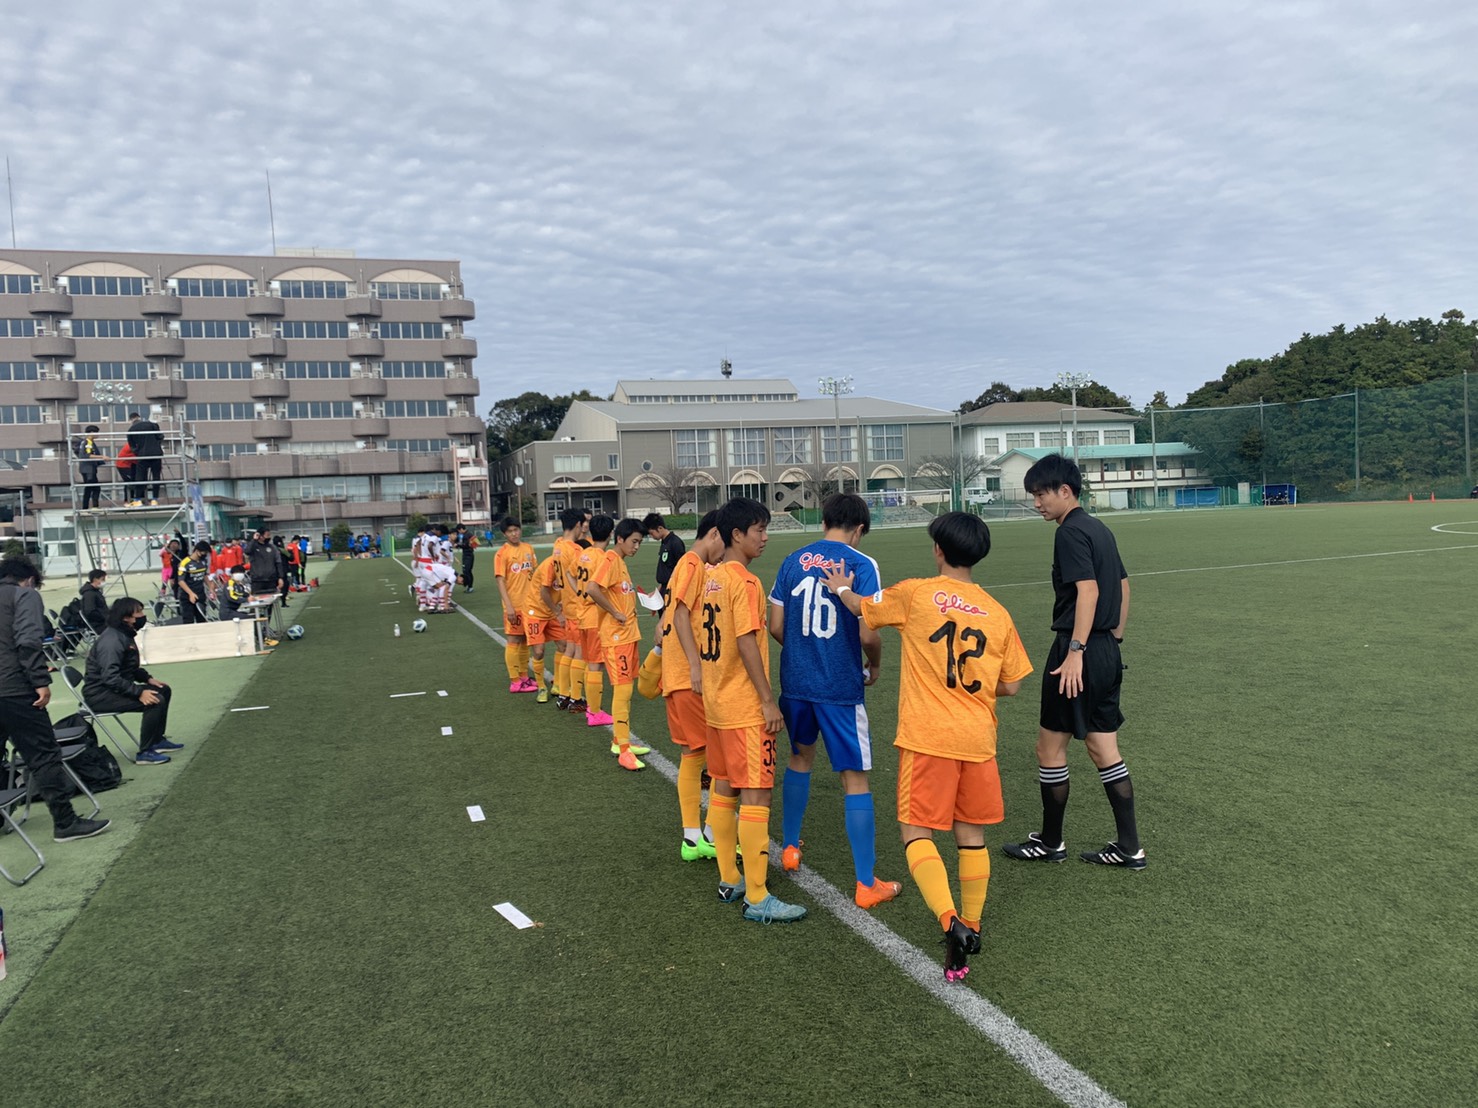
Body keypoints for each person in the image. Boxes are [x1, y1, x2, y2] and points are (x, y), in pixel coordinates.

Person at [820, 512, 1033, 980]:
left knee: (916, 833)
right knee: (971, 836)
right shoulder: (998, 613)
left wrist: (839, 587)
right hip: (978, 738)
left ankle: (950, 921)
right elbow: (1013, 685)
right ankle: (973, 925)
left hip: (928, 736)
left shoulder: (917, 593)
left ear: (939, 550)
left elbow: (862, 608)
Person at [1002, 453, 1143, 870]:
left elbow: (1089, 591)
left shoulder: (1069, 533)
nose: (1037, 503)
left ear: (1066, 491)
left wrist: (1077, 651)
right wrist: (1113, 638)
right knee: (1103, 747)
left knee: (1049, 747)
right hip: (1106, 650)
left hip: (1076, 651)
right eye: (1033, 495)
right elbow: (1122, 584)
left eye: (1042, 494)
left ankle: (1050, 842)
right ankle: (1130, 846)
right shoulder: (1099, 528)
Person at [768, 492, 899, 910]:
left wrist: (805, 655)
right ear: (859, 529)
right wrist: (874, 664)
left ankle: (789, 848)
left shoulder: (792, 560)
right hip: (840, 686)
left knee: (799, 759)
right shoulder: (861, 564)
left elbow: (775, 624)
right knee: (854, 778)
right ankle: (865, 884)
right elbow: (868, 630)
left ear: (825, 520)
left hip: (796, 683)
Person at [700, 497, 805, 923]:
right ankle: (758, 897)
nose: (765, 537)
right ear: (736, 535)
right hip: (743, 707)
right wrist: (766, 700)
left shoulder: (710, 579)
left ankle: (731, 878)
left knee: (724, 789)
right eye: (759, 529)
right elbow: (746, 641)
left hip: (716, 704)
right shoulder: (743, 582)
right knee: (757, 794)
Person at [0, 556, 111, 841]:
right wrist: (39, 680)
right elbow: (27, 640)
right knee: (44, 755)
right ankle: (65, 822)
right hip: (15, 688)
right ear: (29, 579)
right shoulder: (24, 595)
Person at [657, 511, 724, 858]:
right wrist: (696, 665)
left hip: (677, 675)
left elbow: (668, 617)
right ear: (714, 533)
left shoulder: (693, 566)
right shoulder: (692, 563)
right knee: (717, 759)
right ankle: (711, 835)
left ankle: (691, 837)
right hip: (688, 676)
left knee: (693, 755)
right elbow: (681, 611)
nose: (724, 553)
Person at [84, 596, 183, 764]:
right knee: (155, 700)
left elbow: (128, 667)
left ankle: (158, 740)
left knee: (163, 689)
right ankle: (145, 752)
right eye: (138, 612)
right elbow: (110, 677)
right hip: (100, 695)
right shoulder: (112, 641)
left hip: (112, 689)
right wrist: (139, 692)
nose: (142, 615)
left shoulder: (124, 634)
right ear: (126, 617)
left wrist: (147, 679)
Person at [586, 517, 651, 769]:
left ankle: (620, 740)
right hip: (616, 637)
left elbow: (620, 593)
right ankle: (623, 749)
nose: (636, 547)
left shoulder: (620, 562)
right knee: (622, 691)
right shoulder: (610, 559)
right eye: (634, 542)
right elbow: (592, 588)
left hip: (628, 635)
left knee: (627, 691)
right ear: (620, 539)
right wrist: (615, 612)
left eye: (639, 543)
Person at [574, 516, 617, 727]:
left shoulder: (585, 553)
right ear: (611, 534)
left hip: (582, 615)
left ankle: (592, 709)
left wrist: (578, 593)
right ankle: (595, 711)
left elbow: (569, 574)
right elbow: (598, 589)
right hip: (594, 617)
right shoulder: (603, 558)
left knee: (591, 662)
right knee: (595, 665)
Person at [493, 518, 538, 693]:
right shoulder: (502, 553)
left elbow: (534, 574)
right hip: (514, 604)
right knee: (513, 640)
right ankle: (514, 681)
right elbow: (500, 581)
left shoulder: (528, 549)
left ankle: (524, 677)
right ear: (505, 534)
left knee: (526, 640)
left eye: (516, 529)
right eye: (510, 531)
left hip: (530, 605)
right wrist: (508, 606)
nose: (514, 533)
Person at [553, 508, 590, 714]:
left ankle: (564, 693)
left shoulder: (557, 546)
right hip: (577, 607)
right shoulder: (574, 550)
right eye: (583, 524)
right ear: (578, 524)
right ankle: (576, 697)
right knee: (578, 652)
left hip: (567, 605)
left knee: (569, 650)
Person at [643, 512, 685, 602]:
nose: (651, 536)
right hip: (664, 588)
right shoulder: (664, 542)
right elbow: (666, 571)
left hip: (672, 590)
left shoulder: (675, 543)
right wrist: (658, 591)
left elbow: (681, 568)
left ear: (660, 528)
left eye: (651, 533)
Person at [126, 411, 163, 506]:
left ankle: (138, 499)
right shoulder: (152, 424)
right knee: (156, 476)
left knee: (141, 477)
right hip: (156, 454)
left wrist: (138, 452)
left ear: (131, 420)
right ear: (139, 417)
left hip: (142, 455)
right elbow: (160, 437)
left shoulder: (131, 430)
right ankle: (154, 499)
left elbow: (132, 446)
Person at [176, 541, 212, 624]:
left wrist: (211, 588)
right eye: (204, 552)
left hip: (200, 594)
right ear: (197, 551)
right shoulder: (185, 563)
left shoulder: (203, 562)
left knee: (202, 619)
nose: (205, 555)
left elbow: (205, 575)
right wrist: (191, 594)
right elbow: (181, 581)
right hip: (187, 596)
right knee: (188, 620)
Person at [74, 424, 107, 510]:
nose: (98, 435)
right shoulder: (88, 442)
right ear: (91, 432)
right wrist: (102, 457)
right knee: (95, 488)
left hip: (85, 468)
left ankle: (86, 507)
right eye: (96, 433)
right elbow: (88, 455)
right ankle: (94, 506)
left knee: (89, 488)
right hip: (89, 468)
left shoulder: (83, 442)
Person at [79, 567, 109, 633]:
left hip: (101, 623)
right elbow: (90, 612)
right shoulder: (89, 594)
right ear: (95, 579)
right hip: (97, 625)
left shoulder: (96, 592)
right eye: (102, 579)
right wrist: (106, 618)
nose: (104, 582)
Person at [455, 523, 478, 593]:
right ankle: (469, 586)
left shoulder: (467, 535)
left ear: (461, 529)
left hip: (467, 555)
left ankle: (469, 586)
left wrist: (458, 545)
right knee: (468, 571)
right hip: (469, 554)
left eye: (459, 531)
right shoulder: (469, 534)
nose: (459, 532)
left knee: (466, 571)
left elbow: (466, 545)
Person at [115, 440, 138, 505]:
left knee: (133, 481)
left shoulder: (133, 444)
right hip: (123, 465)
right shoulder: (133, 445)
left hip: (130, 464)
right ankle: (128, 500)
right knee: (129, 482)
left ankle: (132, 500)